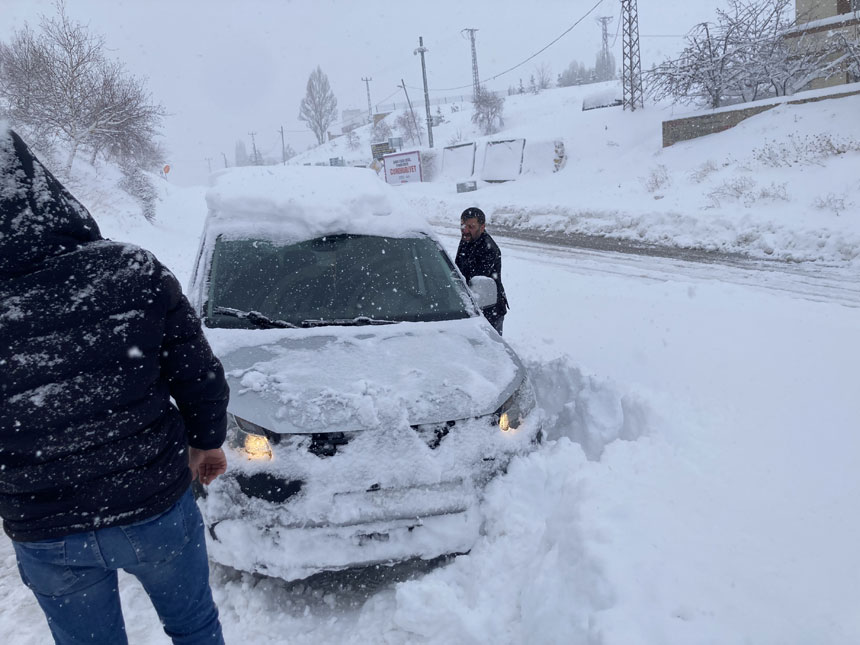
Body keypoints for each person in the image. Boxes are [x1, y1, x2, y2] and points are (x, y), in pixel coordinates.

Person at [0, 124, 230, 645]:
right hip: (155, 506)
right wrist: (206, 441)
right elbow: (198, 375)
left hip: (46, 529)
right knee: (195, 629)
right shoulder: (131, 271)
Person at [455, 206, 509, 335]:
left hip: (490, 310)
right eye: (463, 226)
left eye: (471, 227)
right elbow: (457, 271)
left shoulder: (488, 249)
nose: (465, 230)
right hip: (472, 308)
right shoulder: (467, 240)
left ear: (482, 227)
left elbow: (474, 283)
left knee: (492, 351)